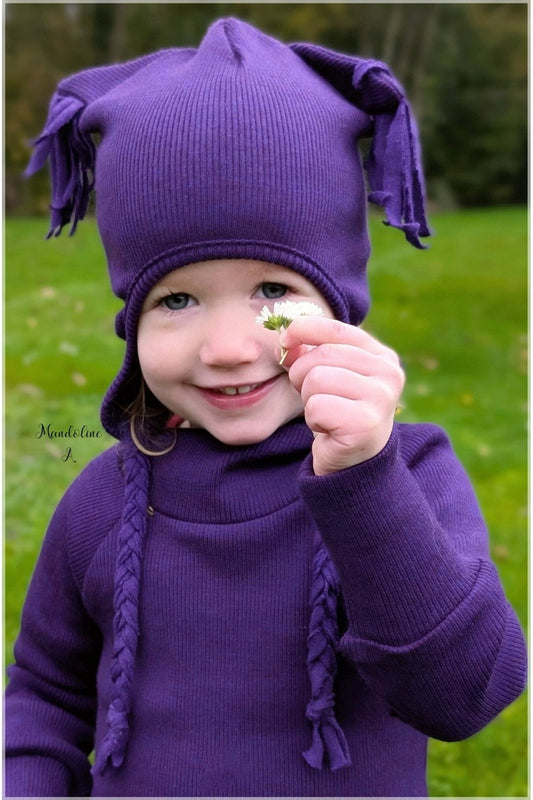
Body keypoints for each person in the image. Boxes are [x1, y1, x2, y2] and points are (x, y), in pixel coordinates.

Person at [4, 17, 526, 798]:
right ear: (130, 319)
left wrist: (363, 479)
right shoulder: (100, 506)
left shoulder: (407, 475)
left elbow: (463, 697)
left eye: (273, 291)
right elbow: (43, 699)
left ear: (339, 304)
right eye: (175, 298)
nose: (224, 346)